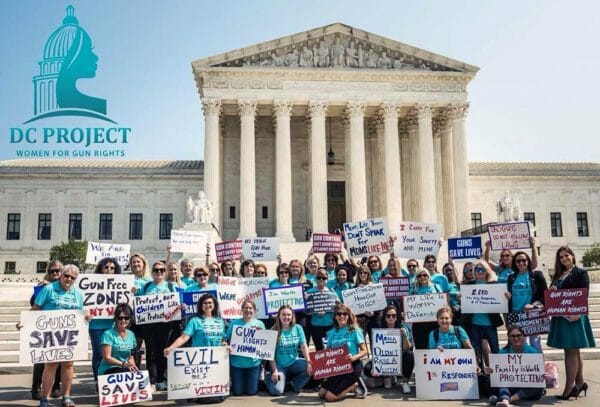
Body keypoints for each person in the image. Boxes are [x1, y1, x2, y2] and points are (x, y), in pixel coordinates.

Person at [27, 265, 90, 407]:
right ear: (61, 274)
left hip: (68, 335)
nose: (69, 279)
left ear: (75, 279)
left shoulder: (78, 294)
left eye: (72, 277)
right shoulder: (48, 289)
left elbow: (80, 313)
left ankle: (66, 397)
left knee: (68, 365)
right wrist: (24, 322)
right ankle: (45, 399)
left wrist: (86, 317)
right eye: (66, 275)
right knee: (51, 365)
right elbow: (36, 308)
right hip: (51, 335)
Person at [547, 246, 595, 400]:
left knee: (571, 352)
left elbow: (583, 294)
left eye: (566, 255)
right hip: (562, 317)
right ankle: (579, 383)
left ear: (572, 256)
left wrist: (579, 314)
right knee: (574, 351)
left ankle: (570, 387)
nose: (564, 259)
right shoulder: (558, 275)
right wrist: (553, 289)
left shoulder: (581, 273)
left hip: (574, 317)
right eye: (561, 257)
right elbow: (552, 295)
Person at [136, 261, 179, 391]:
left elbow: (178, 304)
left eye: (161, 270)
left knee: (164, 350)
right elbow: (137, 302)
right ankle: (153, 380)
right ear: (152, 272)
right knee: (151, 352)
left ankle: (162, 378)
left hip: (166, 325)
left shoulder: (171, 286)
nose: (159, 272)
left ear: (165, 272)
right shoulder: (145, 286)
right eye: (156, 270)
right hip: (149, 325)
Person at [319, 304, 368, 401]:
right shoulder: (332, 332)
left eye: (344, 314)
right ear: (335, 316)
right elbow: (328, 351)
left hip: (352, 366)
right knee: (321, 394)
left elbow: (364, 351)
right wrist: (319, 363)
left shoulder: (354, 330)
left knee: (329, 397)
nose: (342, 316)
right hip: (338, 368)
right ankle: (349, 385)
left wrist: (354, 357)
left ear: (348, 315)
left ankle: (353, 385)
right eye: (339, 314)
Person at [29, 261, 63, 400]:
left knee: (61, 357)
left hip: (62, 326)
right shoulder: (43, 286)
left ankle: (55, 386)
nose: (55, 273)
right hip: (44, 327)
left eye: (58, 271)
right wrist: (40, 288)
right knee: (40, 359)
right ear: (48, 272)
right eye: (52, 271)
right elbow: (33, 303)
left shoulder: (66, 286)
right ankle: (36, 387)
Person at [487, 326, 545, 407]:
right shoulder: (503, 352)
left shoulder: (532, 352)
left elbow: (538, 372)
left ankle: (506, 400)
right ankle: (505, 399)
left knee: (537, 387)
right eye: (513, 336)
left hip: (527, 388)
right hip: (510, 387)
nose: (516, 338)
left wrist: (543, 375)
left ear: (523, 336)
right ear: (509, 338)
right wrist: (491, 372)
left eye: (518, 335)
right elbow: (499, 373)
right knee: (500, 381)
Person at [462, 262, 503, 368]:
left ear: (487, 271)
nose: (479, 272)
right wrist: (460, 297)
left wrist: (506, 296)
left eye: (482, 269)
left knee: (495, 349)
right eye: (477, 270)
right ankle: (480, 374)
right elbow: (465, 300)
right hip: (475, 323)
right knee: (477, 351)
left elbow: (501, 300)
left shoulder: (493, 285)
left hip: (490, 323)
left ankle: (498, 374)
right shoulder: (468, 285)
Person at [506, 251, 547, 351]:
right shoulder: (511, 277)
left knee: (535, 343)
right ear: (514, 263)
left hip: (532, 315)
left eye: (523, 260)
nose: (521, 263)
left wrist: (534, 305)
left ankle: (538, 366)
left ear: (528, 261)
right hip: (515, 315)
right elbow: (509, 295)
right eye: (518, 261)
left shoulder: (537, 275)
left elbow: (545, 295)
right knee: (520, 344)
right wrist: (508, 296)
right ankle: (524, 366)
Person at [266, 305, 312, 395]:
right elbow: (270, 354)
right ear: (279, 316)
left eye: (288, 315)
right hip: (280, 366)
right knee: (277, 391)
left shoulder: (298, 328)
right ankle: (268, 377)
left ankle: (293, 385)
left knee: (312, 367)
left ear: (292, 316)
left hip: (295, 362)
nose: (286, 317)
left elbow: (303, 346)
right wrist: (274, 371)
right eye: (283, 314)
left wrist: (309, 362)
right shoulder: (273, 330)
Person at [89, 258, 122, 382]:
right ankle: (98, 381)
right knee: (99, 354)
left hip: (112, 325)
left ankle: (108, 381)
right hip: (95, 326)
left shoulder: (120, 284)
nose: (109, 270)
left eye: (112, 268)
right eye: (106, 267)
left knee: (111, 355)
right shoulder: (91, 283)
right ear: (101, 269)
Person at [226, 300, 265, 396]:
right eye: (246, 308)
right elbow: (226, 339)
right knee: (237, 392)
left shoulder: (260, 324)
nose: (248, 310)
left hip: (254, 363)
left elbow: (264, 343)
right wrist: (226, 345)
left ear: (254, 310)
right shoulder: (234, 323)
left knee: (252, 392)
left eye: (250, 308)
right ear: (242, 310)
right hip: (236, 364)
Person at [373, 304, 414, 394]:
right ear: (384, 317)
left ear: (397, 317)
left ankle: (405, 382)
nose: (391, 318)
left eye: (393, 316)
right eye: (388, 316)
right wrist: (375, 365)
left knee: (410, 355)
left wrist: (404, 336)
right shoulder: (380, 329)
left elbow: (408, 347)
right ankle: (387, 376)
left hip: (400, 357)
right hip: (387, 358)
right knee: (368, 369)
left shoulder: (403, 328)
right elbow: (377, 350)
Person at [98, 303, 138, 375]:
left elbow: (130, 356)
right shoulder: (108, 334)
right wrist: (123, 364)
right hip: (109, 368)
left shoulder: (131, 334)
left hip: (125, 367)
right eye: (120, 318)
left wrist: (133, 365)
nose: (123, 320)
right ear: (116, 318)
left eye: (126, 318)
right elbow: (107, 357)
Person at [127, 253, 151, 369]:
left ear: (143, 264)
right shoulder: (126, 279)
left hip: (147, 319)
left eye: (138, 262)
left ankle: (152, 377)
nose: (136, 264)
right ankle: (134, 374)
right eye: (133, 262)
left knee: (151, 349)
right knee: (133, 349)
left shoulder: (150, 280)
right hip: (131, 320)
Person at [410, 269, 443, 349]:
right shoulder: (413, 290)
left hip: (434, 322)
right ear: (417, 277)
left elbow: (442, 302)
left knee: (435, 347)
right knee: (420, 348)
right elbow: (409, 305)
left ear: (428, 276)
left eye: (425, 275)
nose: (422, 277)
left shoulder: (436, 287)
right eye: (419, 276)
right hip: (419, 324)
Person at [306, 269, 336, 350]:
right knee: (319, 350)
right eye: (319, 277)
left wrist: (338, 303)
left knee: (331, 349)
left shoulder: (332, 291)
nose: (321, 279)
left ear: (327, 279)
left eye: (324, 277)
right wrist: (315, 312)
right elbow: (305, 311)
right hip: (316, 326)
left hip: (330, 326)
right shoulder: (309, 292)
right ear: (316, 279)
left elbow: (338, 307)